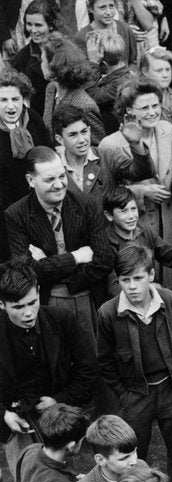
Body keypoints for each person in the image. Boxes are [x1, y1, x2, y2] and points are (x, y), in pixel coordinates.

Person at [96, 244, 172, 482]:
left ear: (151, 276)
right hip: (135, 395)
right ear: (118, 280)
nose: (132, 286)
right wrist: (124, 394)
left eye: (138, 278)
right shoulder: (108, 313)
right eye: (125, 280)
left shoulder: (171, 300)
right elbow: (104, 361)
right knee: (132, 455)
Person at [0, 257, 96, 476]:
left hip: (59, 414)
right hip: (17, 421)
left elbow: (88, 369)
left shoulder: (62, 319)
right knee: (28, 481)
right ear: (1, 304)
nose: (28, 313)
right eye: (18, 307)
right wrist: (3, 414)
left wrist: (59, 400)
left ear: (39, 291)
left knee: (66, 480)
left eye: (32, 302)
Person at [5, 146, 113, 332]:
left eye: (62, 176)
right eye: (49, 180)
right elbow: (24, 271)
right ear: (31, 180)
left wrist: (55, 272)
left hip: (87, 295)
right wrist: (75, 258)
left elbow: (105, 259)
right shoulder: (16, 215)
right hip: (47, 301)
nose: (59, 184)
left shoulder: (87, 204)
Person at [99, 80, 172, 292]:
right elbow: (106, 192)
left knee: (171, 283)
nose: (152, 112)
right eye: (145, 107)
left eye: (155, 105)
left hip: (167, 220)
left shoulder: (167, 130)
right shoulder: (110, 145)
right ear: (129, 110)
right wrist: (141, 191)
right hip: (135, 224)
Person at [100, 186, 172, 294]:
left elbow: (170, 253)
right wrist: (148, 289)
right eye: (124, 211)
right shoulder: (105, 243)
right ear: (109, 215)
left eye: (133, 209)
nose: (131, 216)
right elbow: (113, 287)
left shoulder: (144, 232)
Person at [0, 66, 53, 258]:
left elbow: (49, 154)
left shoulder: (34, 120)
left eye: (15, 99)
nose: (11, 106)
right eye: (3, 100)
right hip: (7, 216)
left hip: (40, 206)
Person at [10, 0, 59, 117]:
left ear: (51, 25)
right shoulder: (21, 58)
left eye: (38, 25)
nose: (33, 30)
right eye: (29, 24)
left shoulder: (64, 49)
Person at [73, 0, 138, 66]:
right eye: (102, 7)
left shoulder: (124, 28)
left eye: (111, 6)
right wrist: (94, 63)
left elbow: (133, 62)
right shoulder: (82, 37)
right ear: (90, 8)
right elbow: (81, 72)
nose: (108, 12)